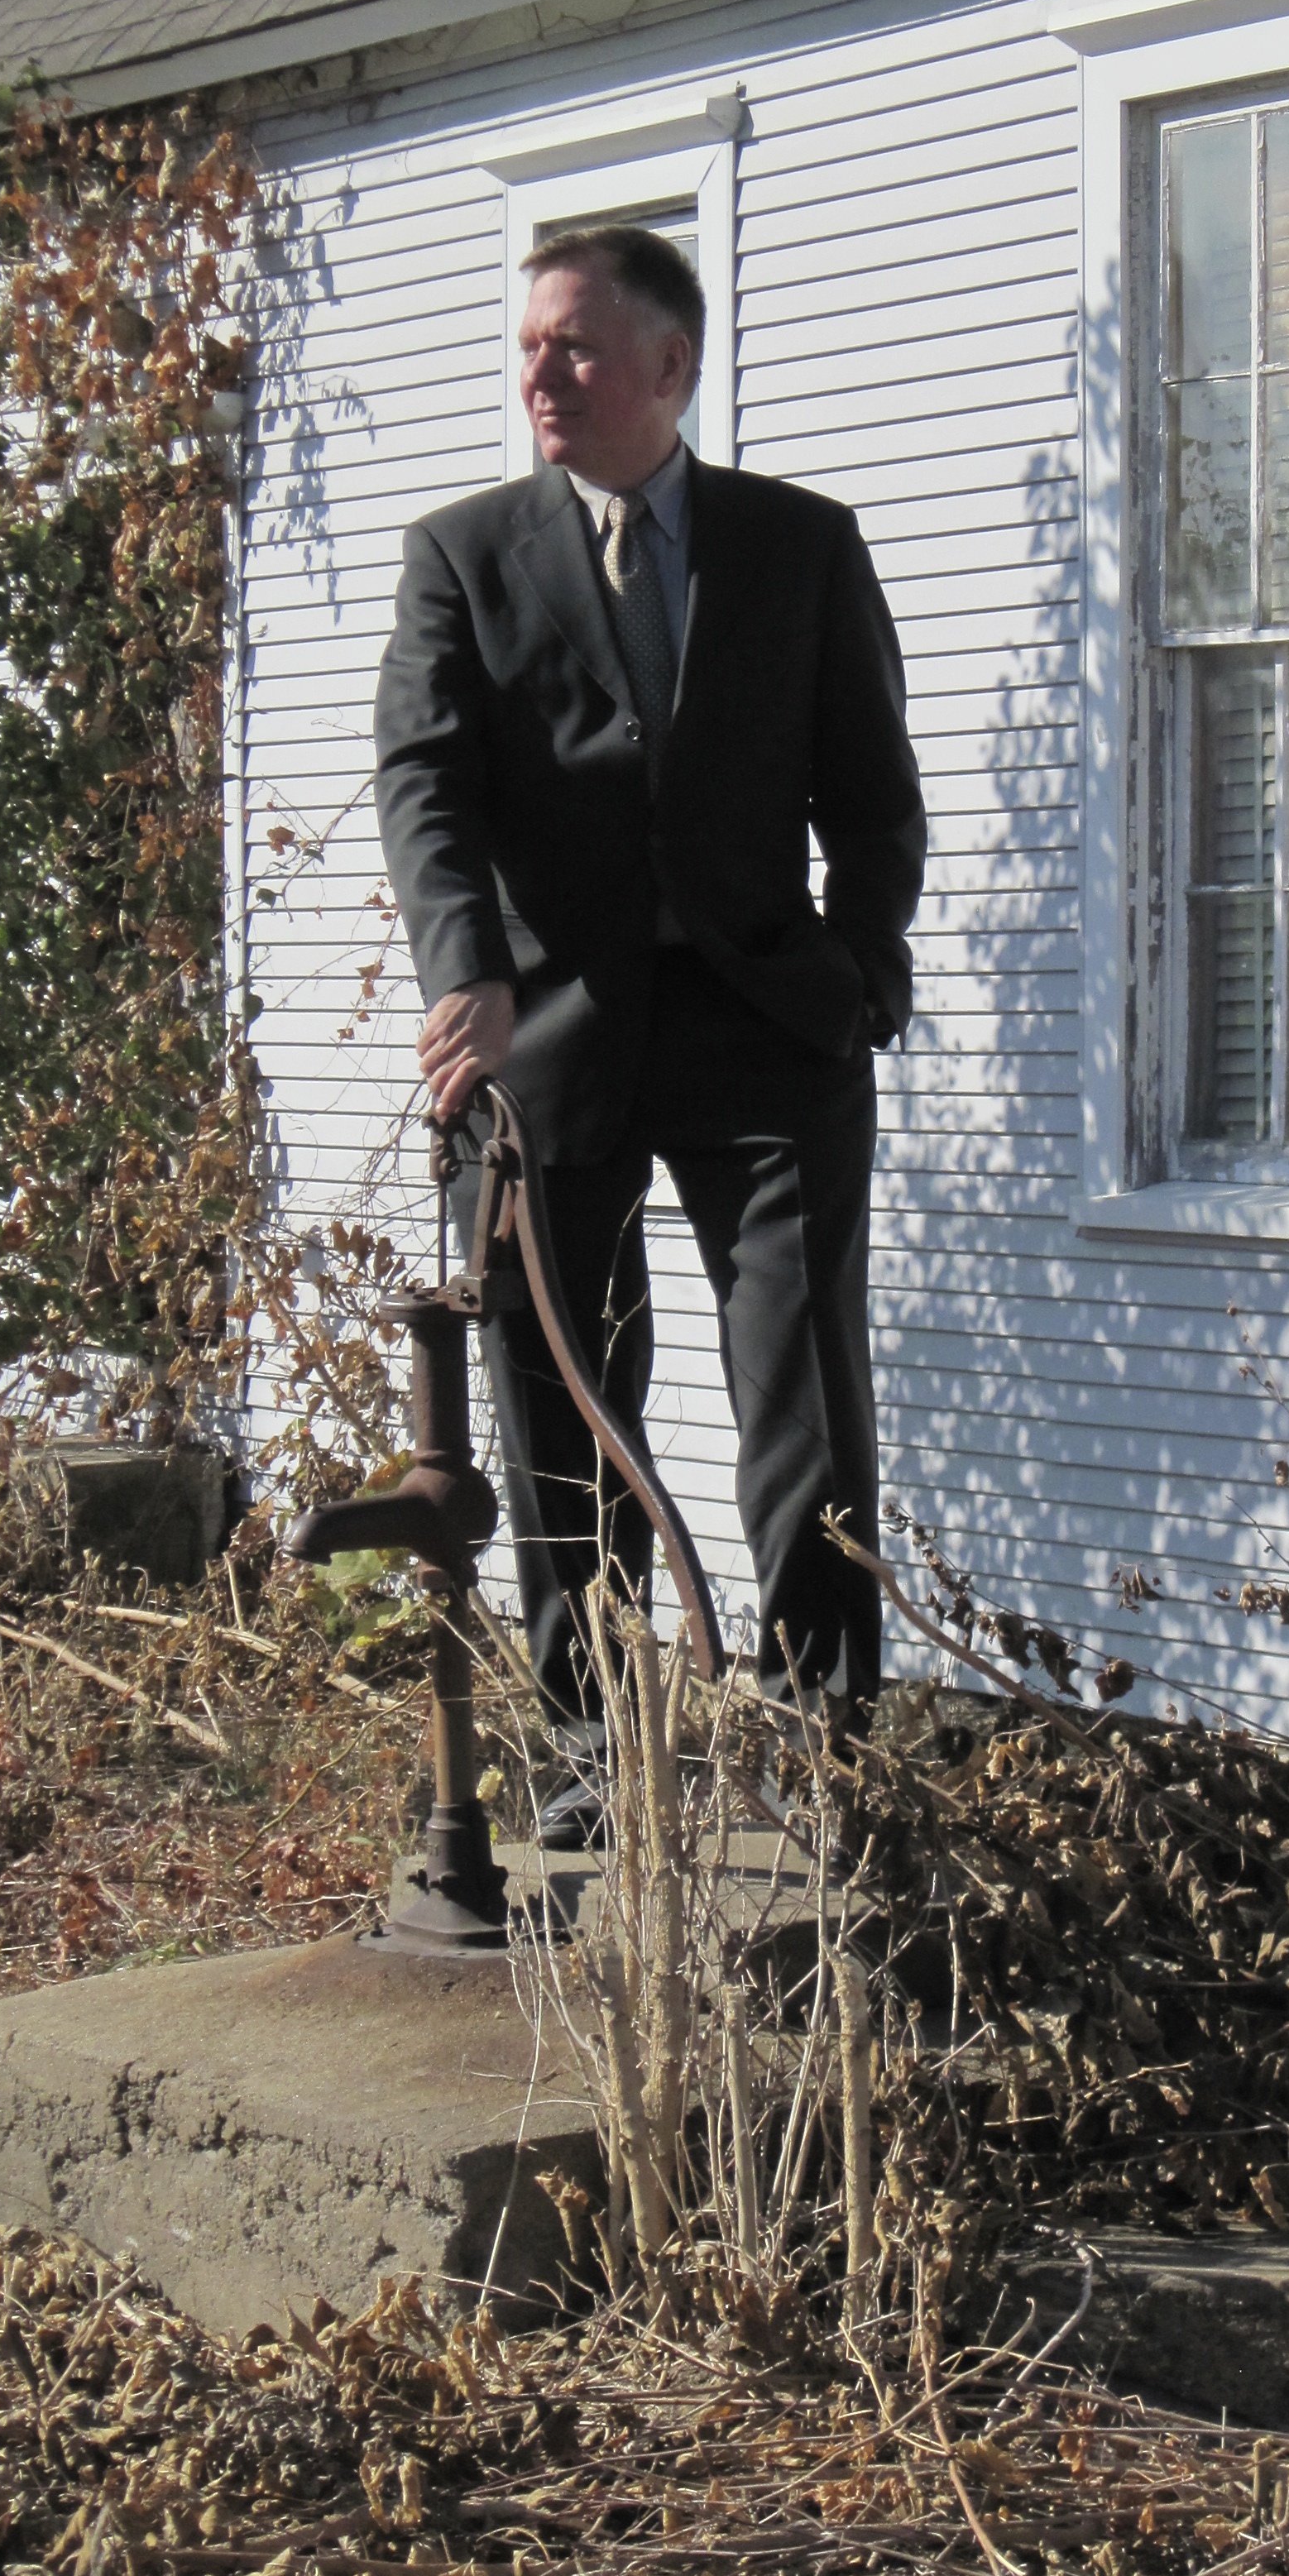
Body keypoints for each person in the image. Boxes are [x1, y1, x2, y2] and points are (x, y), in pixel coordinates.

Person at [374, 223, 925, 1807]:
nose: (541, 372)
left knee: (805, 1399)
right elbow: (427, 784)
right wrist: (461, 967)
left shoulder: (801, 548)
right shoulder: (465, 556)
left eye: (579, 346)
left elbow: (878, 800)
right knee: (563, 1395)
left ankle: (827, 1756)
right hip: (550, 1040)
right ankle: (591, 1749)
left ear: (673, 367)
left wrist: (866, 973)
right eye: (531, 343)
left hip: (773, 1032)